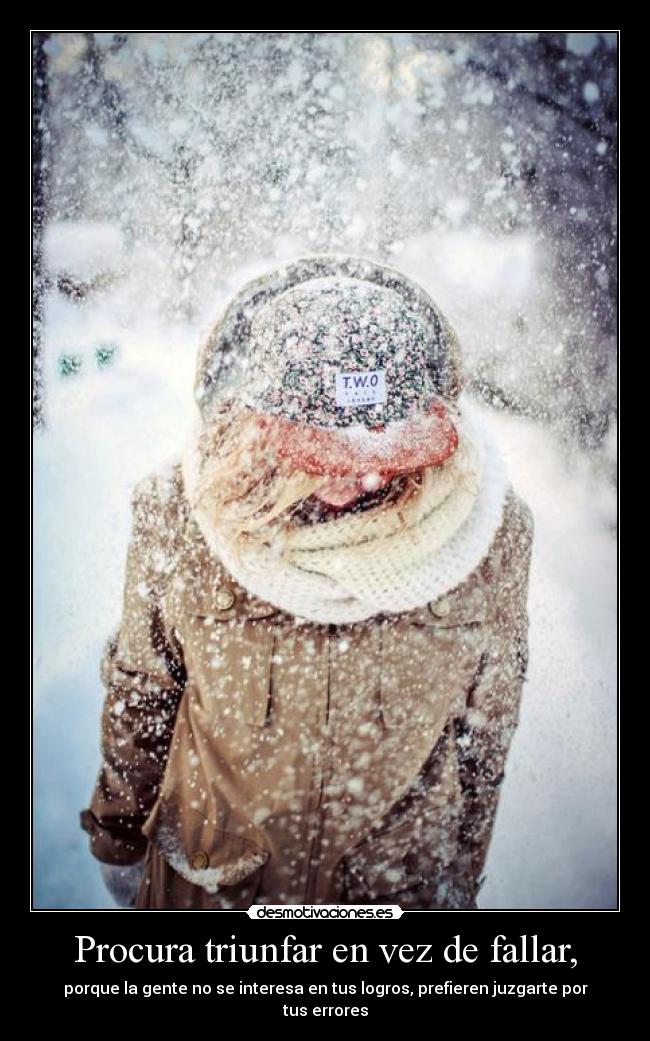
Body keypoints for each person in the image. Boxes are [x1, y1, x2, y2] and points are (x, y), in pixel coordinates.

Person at [80, 254, 534, 910]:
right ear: (255, 440)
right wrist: (119, 836)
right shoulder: (180, 514)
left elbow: (485, 735)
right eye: (326, 454)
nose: (366, 479)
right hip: (212, 892)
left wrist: (456, 878)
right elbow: (143, 691)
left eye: (388, 453)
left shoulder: (491, 535)